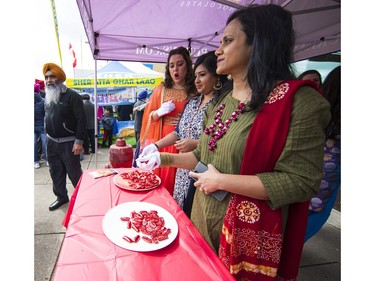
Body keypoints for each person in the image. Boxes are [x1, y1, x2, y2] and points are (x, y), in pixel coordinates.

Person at [137, 4, 331, 280]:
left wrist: (222, 181)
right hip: (204, 218)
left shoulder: (300, 103)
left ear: (258, 44)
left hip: (247, 239)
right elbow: (202, 157)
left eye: (228, 41)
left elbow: (301, 181)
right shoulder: (222, 102)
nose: (217, 50)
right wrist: (163, 157)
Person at [141, 51, 228, 213]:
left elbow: (223, 142)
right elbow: (178, 132)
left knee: (196, 214)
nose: (197, 80)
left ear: (217, 77)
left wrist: (195, 144)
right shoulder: (194, 101)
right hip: (182, 169)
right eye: (196, 76)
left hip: (204, 171)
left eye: (202, 75)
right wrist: (155, 146)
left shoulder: (223, 105)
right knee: (179, 210)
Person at [137, 46, 196, 195]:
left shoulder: (196, 90)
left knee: (182, 184)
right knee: (162, 181)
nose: (175, 69)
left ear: (187, 66)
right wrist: (158, 113)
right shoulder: (161, 89)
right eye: (171, 65)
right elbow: (148, 117)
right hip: (163, 141)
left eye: (180, 64)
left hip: (186, 143)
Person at [43, 63, 87, 211]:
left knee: (74, 172)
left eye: (52, 76)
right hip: (52, 142)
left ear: (60, 77)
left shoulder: (72, 96)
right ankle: (61, 197)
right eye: (47, 77)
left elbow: (82, 120)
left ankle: (83, 197)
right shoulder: (48, 97)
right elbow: (47, 116)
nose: (49, 80)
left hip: (69, 143)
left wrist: (79, 141)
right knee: (55, 172)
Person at [305, 66, 341, 242]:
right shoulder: (321, 110)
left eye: (315, 81)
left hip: (315, 177)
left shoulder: (319, 108)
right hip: (324, 178)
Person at [34, 83, 48, 169]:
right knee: (45, 143)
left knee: (33, 144)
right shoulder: (43, 101)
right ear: (39, 91)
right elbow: (46, 114)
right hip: (42, 125)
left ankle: (36, 162)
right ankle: (48, 161)